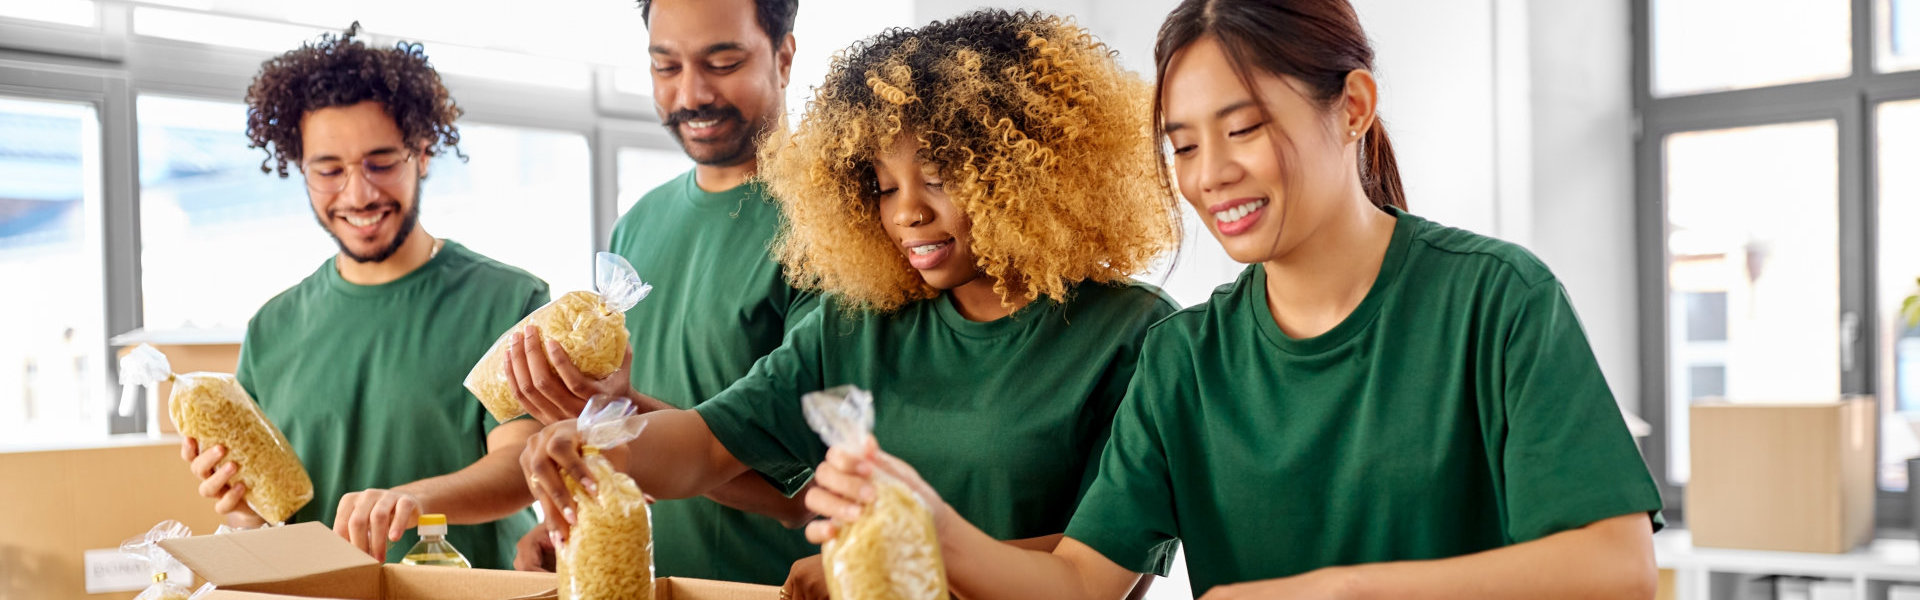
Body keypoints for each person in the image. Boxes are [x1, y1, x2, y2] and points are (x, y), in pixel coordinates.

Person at [801, 1, 1666, 598]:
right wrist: (932, 527)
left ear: (1354, 105)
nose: (1211, 175)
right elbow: (1078, 584)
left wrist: (1337, 590)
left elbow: (1614, 568)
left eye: (1243, 128)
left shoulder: (1495, 302)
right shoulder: (1186, 359)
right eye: (1182, 146)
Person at [517, 10, 1180, 599]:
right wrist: (595, 445)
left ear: (1028, 174)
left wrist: (890, 559)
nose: (908, 213)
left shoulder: (1134, 336)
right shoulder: (856, 321)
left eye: (939, 179)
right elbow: (705, 445)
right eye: (883, 186)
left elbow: (1100, 572)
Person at [178, 23, 547, 569]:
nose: (358, 193)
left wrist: (413, 501)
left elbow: (522, 467)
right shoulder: (271, 328)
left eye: (381, 162)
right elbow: (275, 516)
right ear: (299, 169)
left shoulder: (508, 301)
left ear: (422, 153)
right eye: (329, 170)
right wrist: (242, 512)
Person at [498, 0, 823, 584]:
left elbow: (796, 496)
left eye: (722, 62)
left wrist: (614, 420)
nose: (691, 95)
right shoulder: (639, 223)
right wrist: (575, 520)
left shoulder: (834, 226)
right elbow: (634, 448)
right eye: (665, 67)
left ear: (784, 56)